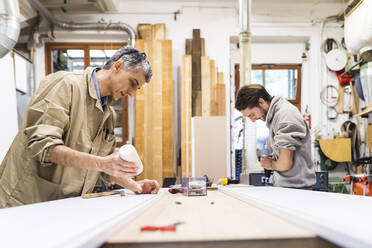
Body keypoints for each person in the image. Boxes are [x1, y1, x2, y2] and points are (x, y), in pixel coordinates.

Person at [0, 46, 160, 208]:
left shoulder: (108, 114)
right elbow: (44, 147)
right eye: (132, 83)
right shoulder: (65, 85)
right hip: (25, 202)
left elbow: (104, 168)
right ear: (117, 66)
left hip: (60, 207)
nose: (132, 93)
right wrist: (103, 163)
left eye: (136, 89)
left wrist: (136, 186)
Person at [235, 84, 316, 189]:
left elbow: (285, 164)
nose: (253, 120)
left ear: (261, 102)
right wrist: (275, 156)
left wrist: (271, 164)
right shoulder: (276, 116)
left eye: (252, 114)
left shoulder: (285, 115)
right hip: (288, 187)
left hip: (297, 190)